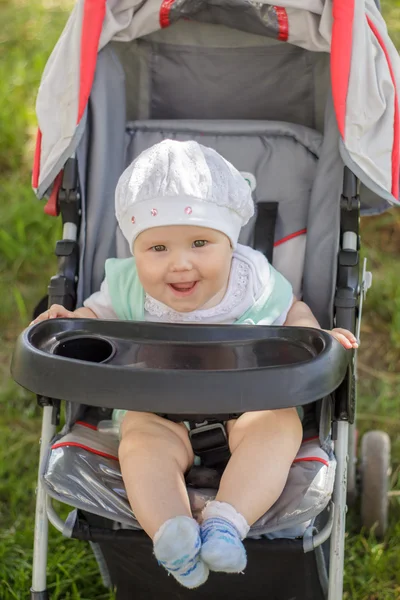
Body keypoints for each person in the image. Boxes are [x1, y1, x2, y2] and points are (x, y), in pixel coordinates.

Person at [32, 140, 358, 589]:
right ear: (135, 249)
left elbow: (293, 312)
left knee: (277, 426)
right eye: (157, 247)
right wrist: (70, 322)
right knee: (140, 445)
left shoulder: (254, 280)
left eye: (200, 243)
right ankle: (173, 534)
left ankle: (227, 522)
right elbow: (94, 319)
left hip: (250, 408)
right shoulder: (125, 285)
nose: (180, 264)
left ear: (230, 242)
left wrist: (316, 333)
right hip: (156, 411)